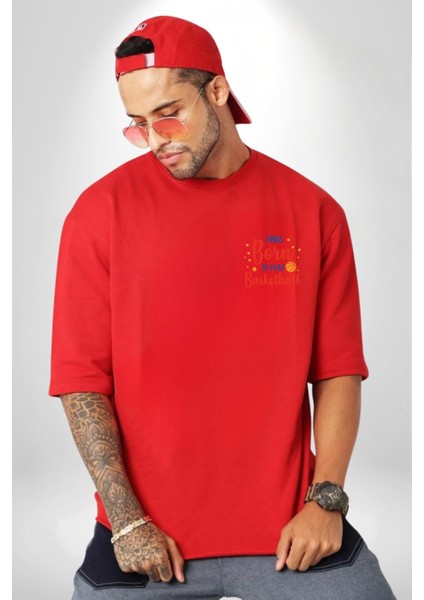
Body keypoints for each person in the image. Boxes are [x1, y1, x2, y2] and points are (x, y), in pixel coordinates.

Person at [49, 14, 396, 600]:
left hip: (291, 531)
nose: (157, 139)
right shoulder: (98, 213)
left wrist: (326, 502)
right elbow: (82, 382)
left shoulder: (313, 211)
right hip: (148, 539)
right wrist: (127, 522)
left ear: (217, 90)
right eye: (138, 125)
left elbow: (337, 369)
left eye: (168, 114)